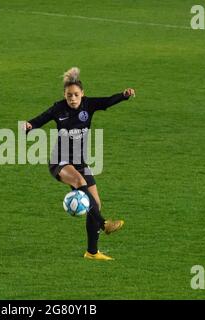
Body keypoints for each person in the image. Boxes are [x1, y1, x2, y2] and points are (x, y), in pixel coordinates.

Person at [22, 67, 135, 260]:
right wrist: (29, 126)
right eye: (68, 96)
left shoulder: (88, 105)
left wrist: (123, 96)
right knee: (79, 181)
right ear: (64, 96)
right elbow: (39, 120)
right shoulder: (58, 108)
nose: (72, 99)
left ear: (82, 94)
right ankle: (104, 224)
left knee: (96, 203)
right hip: (60, 161)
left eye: (76, 95)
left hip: (79, 161)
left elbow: (107, 101)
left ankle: (92, 252)